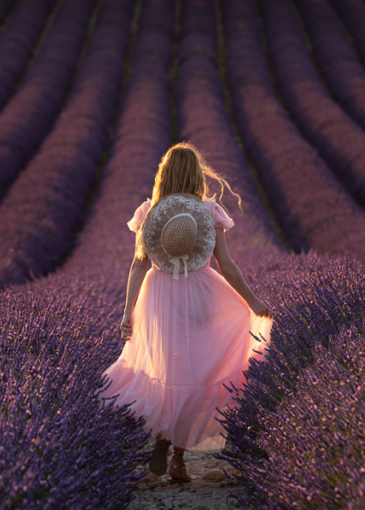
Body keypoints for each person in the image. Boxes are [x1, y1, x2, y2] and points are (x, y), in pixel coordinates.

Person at [101, 143, 272, 483]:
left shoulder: (149, 212)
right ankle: (177, 459)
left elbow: (138, 266)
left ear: (163, 175)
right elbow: (227, 266)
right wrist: (253, 301)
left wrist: (127, 312)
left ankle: (162, 441)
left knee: (167, 371)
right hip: (199, 295)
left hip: (158, 297)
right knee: (193, 374)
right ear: (196, 174)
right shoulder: (209, 210)